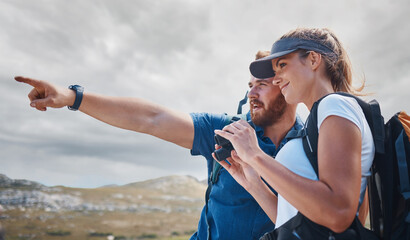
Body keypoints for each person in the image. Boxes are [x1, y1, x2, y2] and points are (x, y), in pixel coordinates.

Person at [15, 50, 303, 240]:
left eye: (262, 84)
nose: (251, 92)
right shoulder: (225, 130)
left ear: (287, 87)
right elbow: (151, 118)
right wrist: (72, 97)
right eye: (249, 85)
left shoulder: (312, 146)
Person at [214, 27, 374, 235]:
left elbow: (338, 213)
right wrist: (253, 183)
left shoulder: (335, 106)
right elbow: (296, 221)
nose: (277, 78)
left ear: (314, 59)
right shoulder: (319, 120)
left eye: (282, 66)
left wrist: (255, 155)